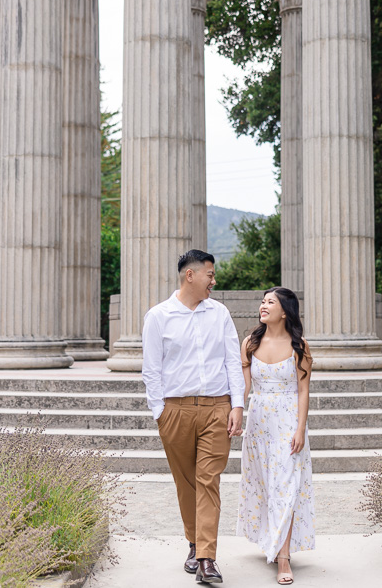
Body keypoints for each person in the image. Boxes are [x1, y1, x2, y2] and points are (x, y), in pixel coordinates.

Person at [141, 249, 246, 584]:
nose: (214, 281)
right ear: (191, 275)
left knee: (208, 481)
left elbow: (233, 361)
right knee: (186, 484)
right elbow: (151, 369)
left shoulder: (220, 313)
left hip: (217, 408)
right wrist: (160, 412)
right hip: (176, 410)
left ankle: (206, 558)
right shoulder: (158, 316)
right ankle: (194, 542)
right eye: (210, 275)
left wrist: (238, 405)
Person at [236, 287, 316, 585]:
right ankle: (271, 539)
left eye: (271, 302)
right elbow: (244, 387)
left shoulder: (300, 346)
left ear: (285, 311)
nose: (263, 305)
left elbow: (304, 389)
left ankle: (284, 559)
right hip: (258, 422)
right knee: (265, 485)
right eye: (263, 301)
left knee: (287, 485)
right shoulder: (250, 342)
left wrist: (300, 428)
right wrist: (235, 413)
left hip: (288, 421)